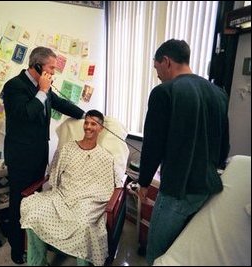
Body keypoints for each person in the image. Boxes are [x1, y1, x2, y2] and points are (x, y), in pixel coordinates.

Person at [136, 39, 230, 265]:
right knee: (187, 253)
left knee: (157, 255)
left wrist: (144, 183)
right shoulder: (218, 93)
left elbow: (153, 144)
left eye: (157, 68)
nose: (157, 75)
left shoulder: (164, 92)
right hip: (208, 189)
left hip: (177, 190)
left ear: (166, 61)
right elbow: (224, 146)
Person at [2, 46, 84, 264]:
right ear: (37, 65)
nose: (54, 73)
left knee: (35, 201)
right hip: (20, 157)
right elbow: (27, 113)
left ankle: (35, 242)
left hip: (39, 153)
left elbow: (60, 103)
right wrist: (41, 90)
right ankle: (17, 247)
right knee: (19, 201)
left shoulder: (44, 88)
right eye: (50, 68)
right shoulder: (14, 87)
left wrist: (86, 115)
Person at [20, 110, 122, 266]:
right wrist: (56, 189)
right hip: (63, 195)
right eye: (86, 123)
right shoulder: (67, 149)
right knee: (33, 211)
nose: (88, 126)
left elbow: (109, 186)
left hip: (88, 201)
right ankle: (37, 262)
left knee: (84, 225)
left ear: (101, 129)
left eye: (93, 124)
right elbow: (54, 174)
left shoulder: (105, 157)